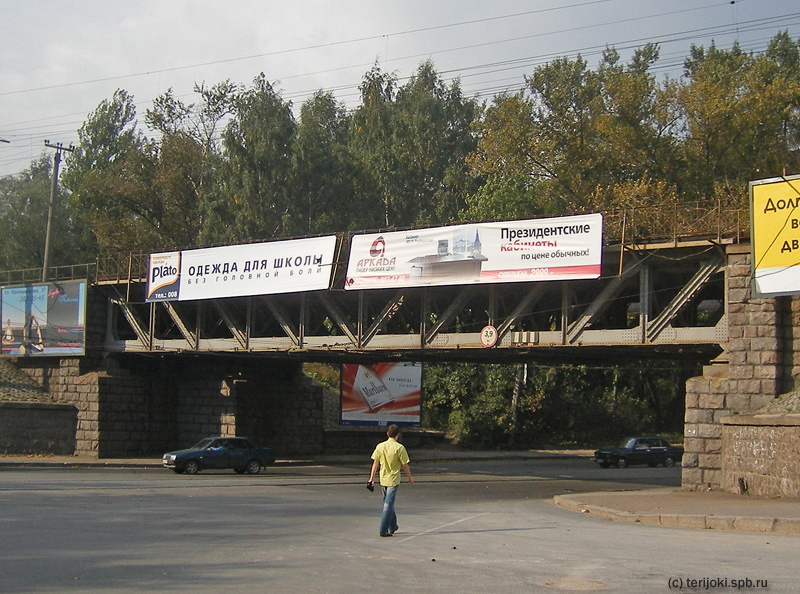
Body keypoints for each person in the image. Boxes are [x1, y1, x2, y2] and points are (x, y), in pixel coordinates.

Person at [367, 424, 414, 537]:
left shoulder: (380, 446)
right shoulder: (399, 448)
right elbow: (405, 465)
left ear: (387, 433)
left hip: (383, 478)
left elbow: (375, 463)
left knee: (388, 502)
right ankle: (383, 530)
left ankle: (392, 526)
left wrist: (371, 479)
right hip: (393, 479)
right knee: (388, 504)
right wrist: (409, 477)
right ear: (398, 435)